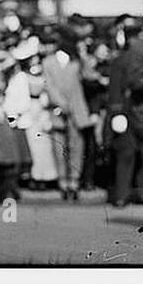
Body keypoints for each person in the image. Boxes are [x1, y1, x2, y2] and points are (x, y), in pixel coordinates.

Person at [108, 22, 143, 215]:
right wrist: (116, 111)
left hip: (140, 112)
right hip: (135, 113)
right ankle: (124, 194)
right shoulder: (128, 56)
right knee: (127, 154)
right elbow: (121, 86)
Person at [41, 33, 92, 201]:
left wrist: (84, 57)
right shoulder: (49, 63)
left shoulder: (76, 61)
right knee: (60, 147)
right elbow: (50, 87)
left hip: (77, 111)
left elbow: (90, 76)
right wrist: (62, 104)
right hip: (58, 110)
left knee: (77, 147)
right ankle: (63, 181)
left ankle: (74, 182)